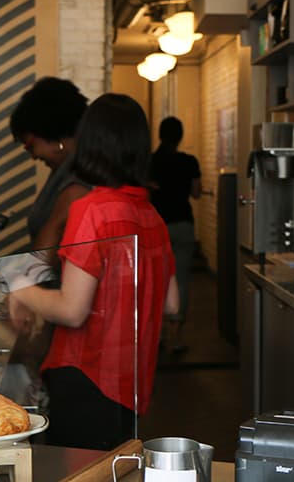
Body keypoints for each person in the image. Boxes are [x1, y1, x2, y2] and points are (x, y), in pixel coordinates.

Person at [9, 93, 179, 450]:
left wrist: (21, 288)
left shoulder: (93, 210)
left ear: (89, 143)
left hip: (85, 377)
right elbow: (171, 305)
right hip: (130, 383)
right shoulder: (151, 215)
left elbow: (73, 310)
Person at [9, 76, 92, 256]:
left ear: (52, 135)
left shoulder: (77, 182)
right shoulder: (64, 171)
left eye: (30, 145)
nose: (33, 156)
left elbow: (43, 259)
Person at [149, 116, 201, 343]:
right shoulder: (189, 162)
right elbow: (197, 192)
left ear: (160, 135)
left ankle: (158, 335)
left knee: (155, 280)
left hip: (156, 228)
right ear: (180, 137)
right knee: (180, 279)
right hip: (183, 225)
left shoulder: (149, 162)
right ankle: (175, 336)